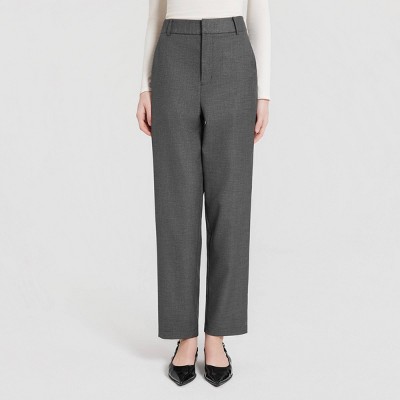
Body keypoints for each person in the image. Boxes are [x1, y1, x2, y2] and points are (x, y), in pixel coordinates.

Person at [136, 0, 271, 386]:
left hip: (233, 52)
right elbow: (156, 13)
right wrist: (144, 85)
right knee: (175, 203)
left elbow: (259, 13)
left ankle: (217, 337)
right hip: (172, 55)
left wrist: (264, 93)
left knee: (231, 202)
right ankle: (185, 337)